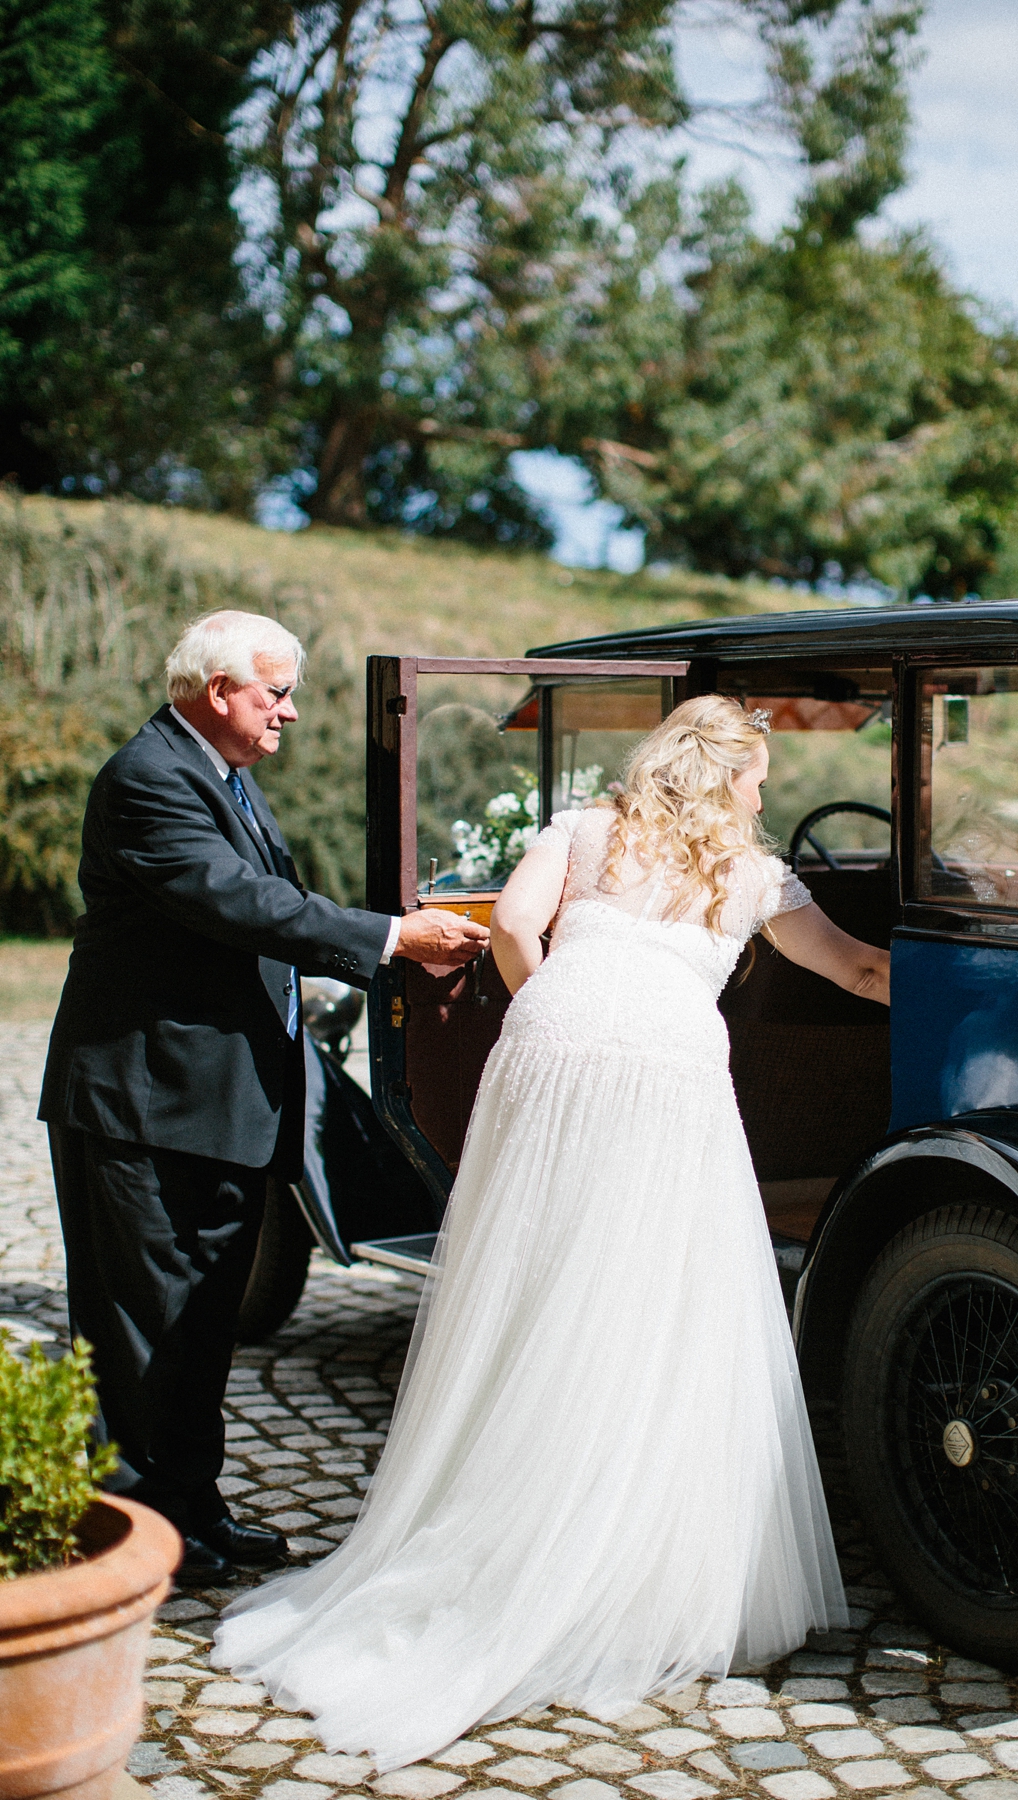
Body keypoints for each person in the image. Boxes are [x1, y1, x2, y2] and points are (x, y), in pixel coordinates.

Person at [213, 695, 890, 1764]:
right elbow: (857, 967)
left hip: (553, 1044)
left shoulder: (580, 828)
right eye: (758, 777)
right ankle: (624, 1562)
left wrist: (560, 1012)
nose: (766, 795)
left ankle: (511, 1518)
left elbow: (516, 933)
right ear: (723, 777)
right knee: (654, 1301)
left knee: (538, 1287)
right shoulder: (756, 876)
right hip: (666, 1068)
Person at [38, 610, 488, 1587]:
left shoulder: (222, 774)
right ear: (217, 692)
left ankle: (193, 1512)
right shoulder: (149, 779)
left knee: (201, 1329)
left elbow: (261, 910)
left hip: (217, 1106)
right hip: (144, 1107)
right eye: (275, 692)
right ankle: (142, 1540)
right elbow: (235, 902)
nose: (289, 713)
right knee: (142, 1332)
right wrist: (390, 940)